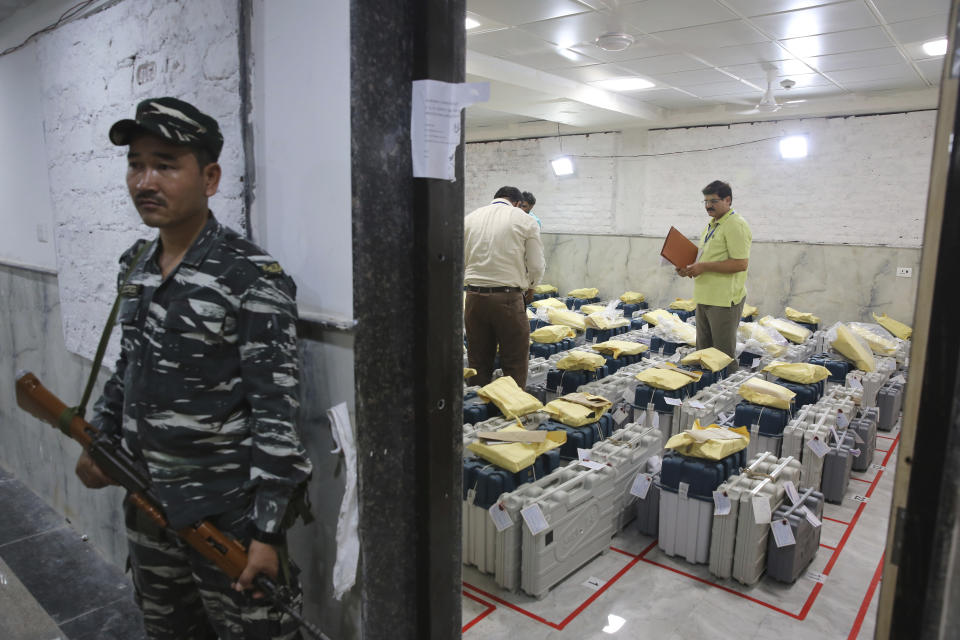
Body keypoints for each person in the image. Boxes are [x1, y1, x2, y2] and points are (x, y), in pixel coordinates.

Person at [74, 97, 313, 640]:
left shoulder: (251, 277)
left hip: (224, 518)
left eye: (165, 164)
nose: (145, 181)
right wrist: (101, 440)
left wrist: (267, 533)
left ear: (209, 177)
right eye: (136, 164)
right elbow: (127, 369)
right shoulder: (135, 265)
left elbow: (277, 416)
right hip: (147, 505)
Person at [464, 186, 545, 388]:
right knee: (514, 361)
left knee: (478, 361)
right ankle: (510, 412)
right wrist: (532, 287)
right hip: (507, 299)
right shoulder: (525, 219)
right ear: (518, 203)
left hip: (473, 297)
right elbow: (536, 264)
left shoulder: (470, 218)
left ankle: (478, 412)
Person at [676, 180, 752, 369]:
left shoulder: (736, 224)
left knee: (722, 356)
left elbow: (741, 263)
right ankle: (705, 391)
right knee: (703, 354)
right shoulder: (712, 225)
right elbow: (707, 258)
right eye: (706, 201)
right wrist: (688, 268)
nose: (708, 206)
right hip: (705, 296)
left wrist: (704, 266)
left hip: (724, 300)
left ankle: (724, 393)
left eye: (714, 201)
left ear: (728, 200)